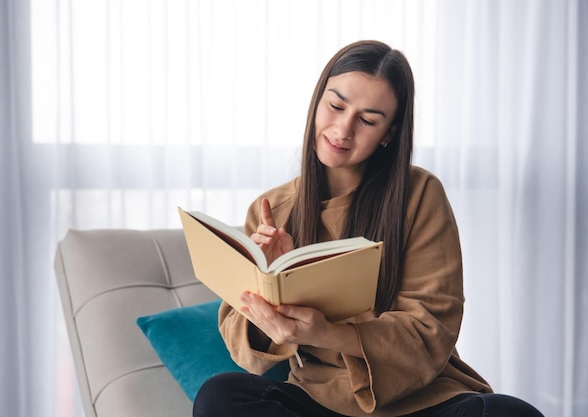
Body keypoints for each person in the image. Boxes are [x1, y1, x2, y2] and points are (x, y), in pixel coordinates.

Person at [192, 40, 544, 417]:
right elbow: (244, 347)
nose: (343, 129)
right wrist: (271, 297)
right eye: (336, 106)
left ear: (388, 134)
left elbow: (432, 327)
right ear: (317, 102)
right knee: (221, 395)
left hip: (422, 401)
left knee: (510, 414)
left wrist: (327, 333)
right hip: (317, 401)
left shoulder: (420, 194)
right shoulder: (272, 210)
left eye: (368, 120)